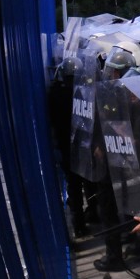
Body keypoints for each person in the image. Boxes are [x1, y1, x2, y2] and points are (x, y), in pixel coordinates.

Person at [93, 46, 138, 271]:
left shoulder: (119, 95)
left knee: (109, 209)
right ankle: (133, 243)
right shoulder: (133, 95)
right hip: (126, 163)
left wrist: (101, 146)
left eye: (112, 71)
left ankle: (114, 256)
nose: (109, 74)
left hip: (113, 163)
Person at [49, 56, 92, 238]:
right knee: (90, 181)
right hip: (85, 144)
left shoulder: (55, 94)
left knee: (73, 186)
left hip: (66, 146)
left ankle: (79, 224)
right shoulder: (83, 93)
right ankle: (93, 213)